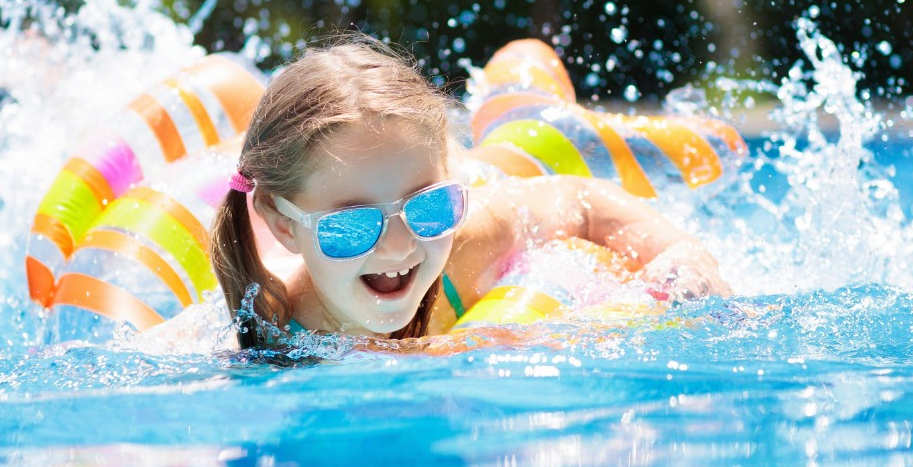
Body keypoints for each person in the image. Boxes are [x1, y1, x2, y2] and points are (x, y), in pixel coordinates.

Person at [210, 34, 730, 348]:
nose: (398, 247)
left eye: (430, 208)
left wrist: (678, 252)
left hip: (500, 175)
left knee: (536, 145)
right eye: (353, 224)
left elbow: (575, 200)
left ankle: (537, 109)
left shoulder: (464, 245)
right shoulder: (263, 329)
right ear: (283, 226)